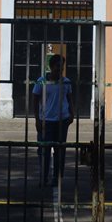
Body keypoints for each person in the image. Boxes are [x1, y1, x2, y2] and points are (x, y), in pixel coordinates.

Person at [32, 55, 74, 187]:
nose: (60, 69)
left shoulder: (66, 81)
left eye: (61, 67)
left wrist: (72, 114)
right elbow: (35, 99)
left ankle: (57, 177)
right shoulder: (42, 81)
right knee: (44, 150)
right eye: (57, 66)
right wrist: (37, 119)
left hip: (62, 120)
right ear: (51, 67)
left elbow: (69, 98)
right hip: (46, 121)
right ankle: (43, 177)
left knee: (59, 151)